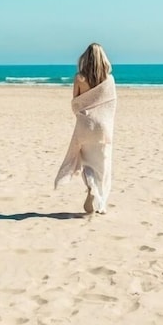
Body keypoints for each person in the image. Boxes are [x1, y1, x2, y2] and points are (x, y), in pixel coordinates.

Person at [54, 43, 117, 214]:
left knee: (85, 160)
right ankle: (101, 202)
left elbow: (76, 102)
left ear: (85, 58)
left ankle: (90, 184)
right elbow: (111, 105)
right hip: (103, 127)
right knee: (103, 166)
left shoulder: (79, 77)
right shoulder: (109, 79)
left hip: (85, 124)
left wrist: (82, 116)